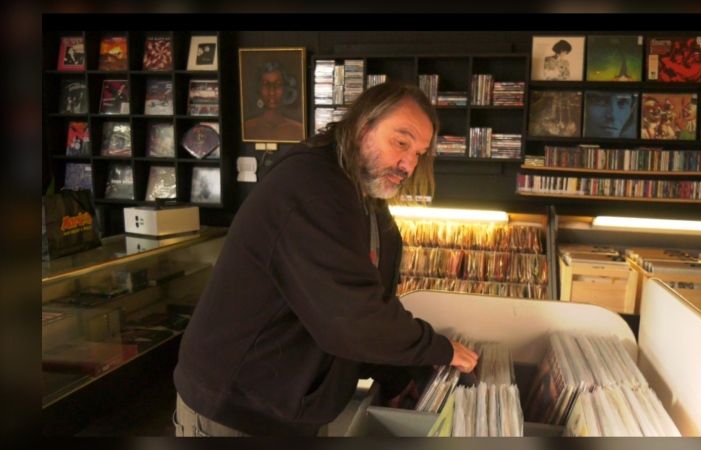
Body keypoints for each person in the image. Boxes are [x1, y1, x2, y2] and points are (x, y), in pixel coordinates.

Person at [173, 81, 479, 437]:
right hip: (237, 414)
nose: (408, 163)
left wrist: (394, 377)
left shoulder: (360, 195)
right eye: (401, 142)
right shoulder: (313, 188)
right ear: (363, 125)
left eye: (420, 153)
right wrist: (436, 350)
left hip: (292, 411)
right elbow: (351, 319)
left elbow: (358, 301)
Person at [243, 60, 305, 142]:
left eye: (277, 85)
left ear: (285, 88)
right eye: (266, 85)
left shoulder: (299, 129)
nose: (271, 92)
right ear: (259, 89)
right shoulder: (247, 127)